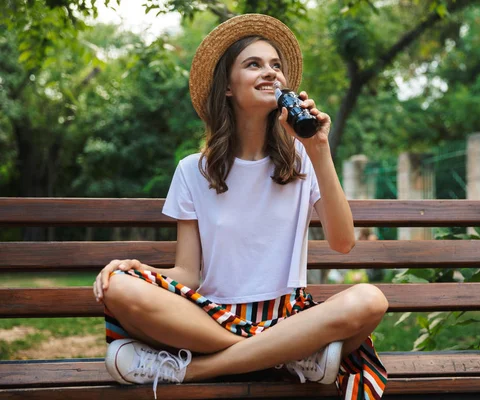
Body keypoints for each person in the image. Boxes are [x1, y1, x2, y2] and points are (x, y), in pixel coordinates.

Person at [92, 13, 388, 400]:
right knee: (118, 289)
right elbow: (187, 274)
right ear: (228, 88)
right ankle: (289, 354)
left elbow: (343, 243)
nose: (271, 73)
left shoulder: (304, 158)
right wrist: (138, 270)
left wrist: (319, 149)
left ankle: (194, 370)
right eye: (254, 64)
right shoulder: (191, 171)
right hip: (210, 317)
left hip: (287, 314)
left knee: (370, 300)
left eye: (276, 65)